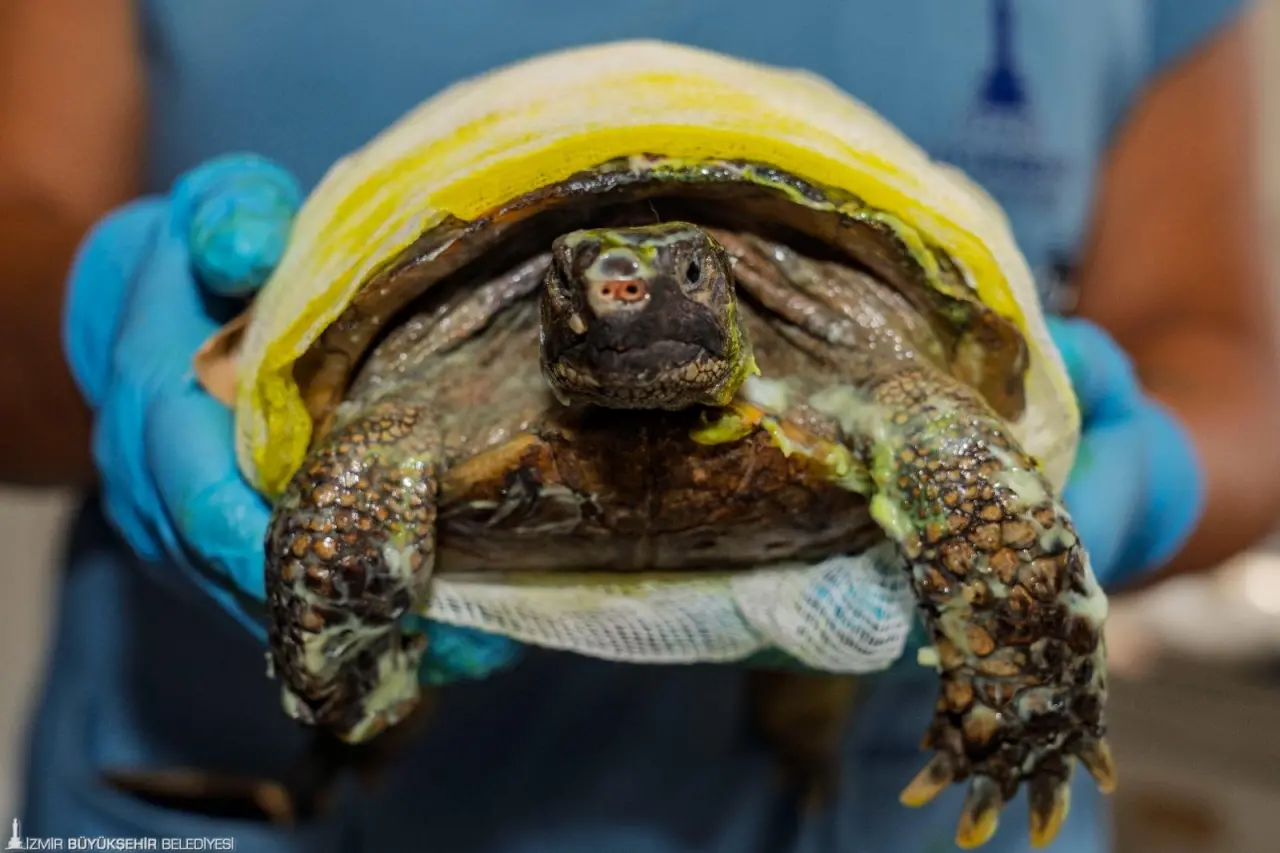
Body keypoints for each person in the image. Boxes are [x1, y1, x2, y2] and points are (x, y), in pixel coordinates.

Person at [3, 0, 1278, 850]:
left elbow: (1227, 363)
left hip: (869, 804)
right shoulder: (426, 404)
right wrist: (105, 323)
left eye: (675, 280)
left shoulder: (870, 374)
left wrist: (1127, 499)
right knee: (357, 506)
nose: (635, 296)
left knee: (954, 462)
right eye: (601, 284)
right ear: (556, 301)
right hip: (232, 783)